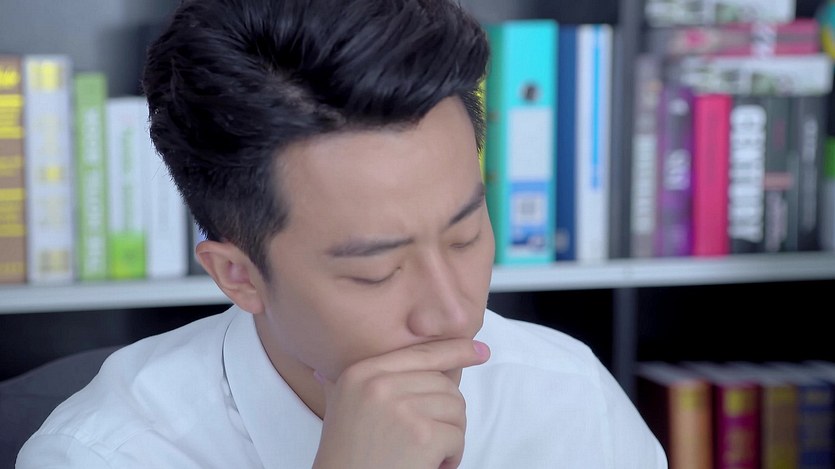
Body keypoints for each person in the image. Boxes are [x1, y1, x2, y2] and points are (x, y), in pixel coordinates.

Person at [17, 0, 667, 467]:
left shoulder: (565, 394)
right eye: (375, 272)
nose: (453, 312)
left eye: (466, 235)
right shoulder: (102, 452)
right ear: (238, 276)